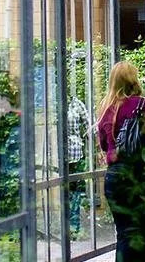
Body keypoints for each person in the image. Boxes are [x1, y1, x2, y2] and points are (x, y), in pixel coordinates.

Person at [97, 61, 145, 262]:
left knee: (124, 234)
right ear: (134, 80)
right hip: (144, 176)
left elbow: (105, 145)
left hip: (116, 177)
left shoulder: (106, 109)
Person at [66, 95, 90, 234]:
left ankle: (74, 227)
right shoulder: (53, 102)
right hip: (58, 155)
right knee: (64, 191)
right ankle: (65, 225)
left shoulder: (76, 104)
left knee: (74, 191)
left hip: (75, 154)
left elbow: (89, 125)